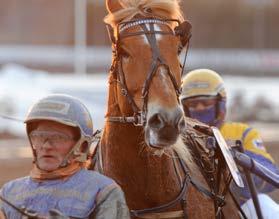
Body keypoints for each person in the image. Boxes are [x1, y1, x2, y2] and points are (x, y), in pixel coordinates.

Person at [0, 94, 130, 219]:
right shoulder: (9, 192)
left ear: (82, 145)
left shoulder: (103, 191)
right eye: (39, 136)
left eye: (58, 137)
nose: (46, 146)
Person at [180, 69, 279, 218]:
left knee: (264, 204)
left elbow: (270, 177)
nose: (199, 108)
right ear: (185, 107)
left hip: (238, 202)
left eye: (206, 102)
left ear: (220, 103)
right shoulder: (177, 139)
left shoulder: (243, 133)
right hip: (192, 204)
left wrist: (234, 156)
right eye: (193, 104)